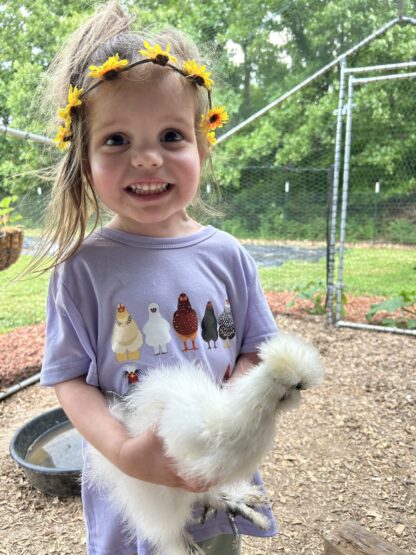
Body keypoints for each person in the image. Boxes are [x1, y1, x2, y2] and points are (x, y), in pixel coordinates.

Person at [39, 1, 278, 553]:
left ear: (201, 142)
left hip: (213, 486)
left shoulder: (228, 256)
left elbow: (257, 352)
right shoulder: (82, 269)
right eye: (117, 140)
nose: (147, 159)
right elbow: (69, 379)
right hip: (131, 499)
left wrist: (223, 421)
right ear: (85, 156)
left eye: (171, 136)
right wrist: (124, 452)